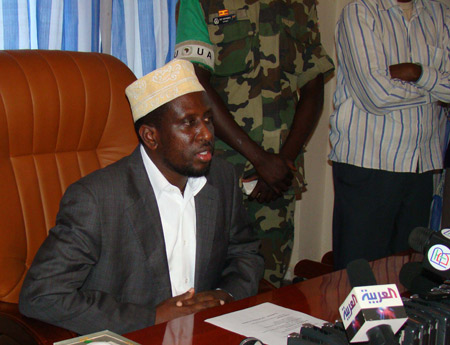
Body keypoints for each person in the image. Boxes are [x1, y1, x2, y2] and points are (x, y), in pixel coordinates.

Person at [18, 59, 264, 335]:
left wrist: (224, 296)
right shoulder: (96, 199)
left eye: (207, 119)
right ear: (150, 136)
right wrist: (154, 316)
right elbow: (42, 295)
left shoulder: (222, 177)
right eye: (188, 123)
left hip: (206, 334)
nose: (206, 133)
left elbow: (245, 253)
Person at [174, 0, 334, 286]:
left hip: (280, 178)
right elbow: (194, 83)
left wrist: (282, 162)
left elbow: (313, 86)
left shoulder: (301, 3)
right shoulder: (200, 2)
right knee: (207, 287)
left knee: (268, 286)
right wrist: (261, 160)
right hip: (217, 173)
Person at [330, 0, 450, 270]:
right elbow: (377, 95)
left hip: (422, 164)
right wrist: (435, 88)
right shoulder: (360, 12)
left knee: (409, 272)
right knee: (361, 276)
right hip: (369, 163)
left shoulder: (441, 13)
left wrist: (417, 73)